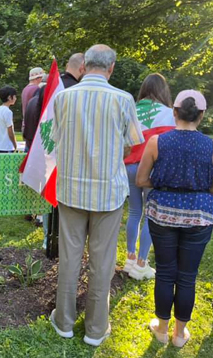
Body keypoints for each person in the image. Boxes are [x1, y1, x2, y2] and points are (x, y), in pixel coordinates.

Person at [50, 44, 144, 347]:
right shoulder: (123, 99)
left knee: (70, 255)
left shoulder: (63, 98)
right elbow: (132, 144)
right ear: (111, 67)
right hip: (108, 191)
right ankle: (95, 328)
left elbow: (57, 140)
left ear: (83, 67)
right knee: (102, 261)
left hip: (72, 189)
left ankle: (63, 321)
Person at [136, 90, 213, 347]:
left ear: (174, 112)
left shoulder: (157, 142)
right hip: (199, 217)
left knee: (166, 272)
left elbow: (141, 179)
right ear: (202, 115)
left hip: (162, 214)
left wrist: (165, 184)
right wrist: (199, 189)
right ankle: (180, 334)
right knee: (188, 275)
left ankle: (162, 328)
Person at [123, 73, 175, 280]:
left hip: (129, 167)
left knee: (134, 212)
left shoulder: (130, 109)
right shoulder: (169, 113)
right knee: (151, 215)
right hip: (153, 169)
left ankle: (129, 258)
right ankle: (141, 264)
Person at [0, 85, 17, 153]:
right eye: (15, 96)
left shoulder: (0, 109)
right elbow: (10, 131)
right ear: (10, 97)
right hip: (6, 147)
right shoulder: (8, 112)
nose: (16, 98)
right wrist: (15, 144)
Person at [21, 67, 45, 132]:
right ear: (38, 78)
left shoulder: (25, 89)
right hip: (33, 127)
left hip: (25, 125)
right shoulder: (36, 89)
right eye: (42, 78)